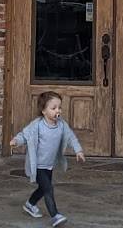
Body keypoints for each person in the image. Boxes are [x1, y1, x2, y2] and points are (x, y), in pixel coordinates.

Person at [10, 90, 85, 226]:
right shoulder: (37, 125)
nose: (58, 111)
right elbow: (25, 135)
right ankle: (55, 215)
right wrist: (16, 141)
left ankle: (30, 204)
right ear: (44, 111)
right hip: (38, 165)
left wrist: (78, 150)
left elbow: (71, 137)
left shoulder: (61, 124)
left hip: (49, 165)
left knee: (43, 188)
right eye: (53, 108)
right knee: (48, 189)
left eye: (59, 107)